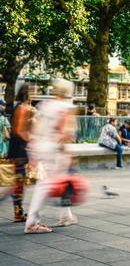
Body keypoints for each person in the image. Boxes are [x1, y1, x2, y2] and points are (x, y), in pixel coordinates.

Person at [25, 79, 78, 233]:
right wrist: (65, 151)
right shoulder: (65, 108)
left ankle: (65, 215)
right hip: (54, 149)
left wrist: (33, 154)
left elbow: (35, 128)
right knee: (47, 185)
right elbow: (64, 132)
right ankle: (32, 222)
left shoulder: (45, 106)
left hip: (40, 147)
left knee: (60, 181)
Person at [8, 84, 33, 223]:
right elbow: (18, 130)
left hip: (17, 148)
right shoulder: (22, 108)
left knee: (19, 181)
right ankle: (18, 213)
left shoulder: (19, 107)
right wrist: (30, 139)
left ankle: (19, 211)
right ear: (27, 94)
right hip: (19, 150)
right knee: (19, 182)